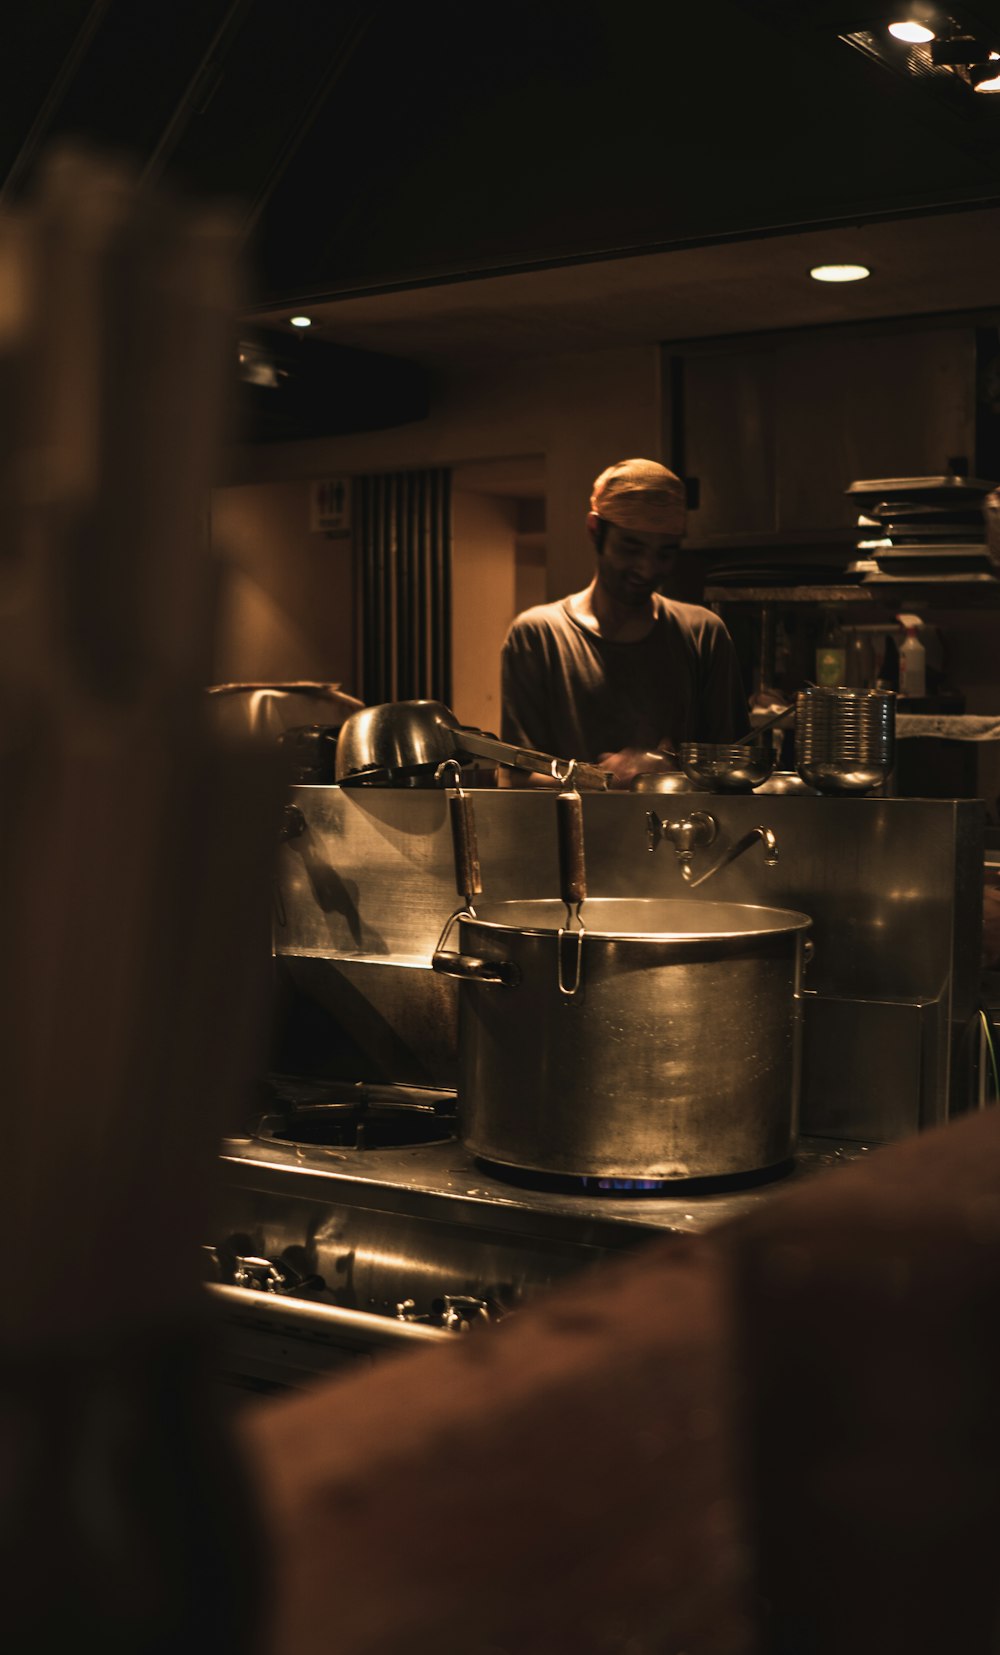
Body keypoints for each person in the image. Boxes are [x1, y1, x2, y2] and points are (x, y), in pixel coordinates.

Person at [500, 457, 749, 787]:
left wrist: (668, 771)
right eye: (631, 548)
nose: (647, 569)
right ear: (594, 530)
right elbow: (514, 781)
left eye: (665, 553)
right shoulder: (538, 635)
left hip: (685, 837)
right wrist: (603, 778)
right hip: (570, 836)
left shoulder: (703, 633)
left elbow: (734, 772)